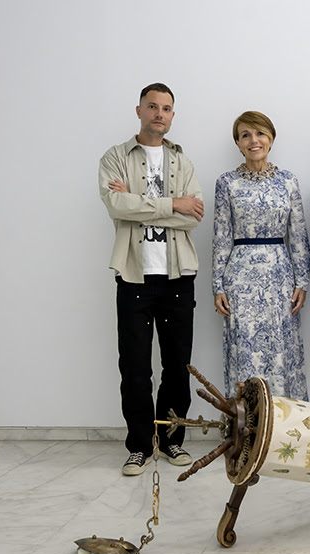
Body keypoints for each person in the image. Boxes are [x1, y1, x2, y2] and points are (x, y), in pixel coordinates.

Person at [99, 83, 204, 475]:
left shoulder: (183, 160)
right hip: (134, 275)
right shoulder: (115, 158)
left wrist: (141, 205)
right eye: (152, 106)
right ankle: (140, 445)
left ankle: (171, 440)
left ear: (173, 115)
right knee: (135, 366)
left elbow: (193, 215)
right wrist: (171, 203)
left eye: (167, 108)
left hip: (178, 275)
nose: (160, 113)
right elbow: (115, 205)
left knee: (177, 366)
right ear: (139, 110)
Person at [213, 111, 310, 401]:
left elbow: (298, 235)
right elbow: (220, 236)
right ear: (238, 143)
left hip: (280, 276)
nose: (254, 140)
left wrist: (302, 281)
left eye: (260, 134)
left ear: (271, 138)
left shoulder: (288, 181)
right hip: (240, 279)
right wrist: (217, 285)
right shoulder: (226, 182)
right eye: (246, 135)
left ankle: (283, 429)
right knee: (244, 351)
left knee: (281, 350)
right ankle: (247, 431)